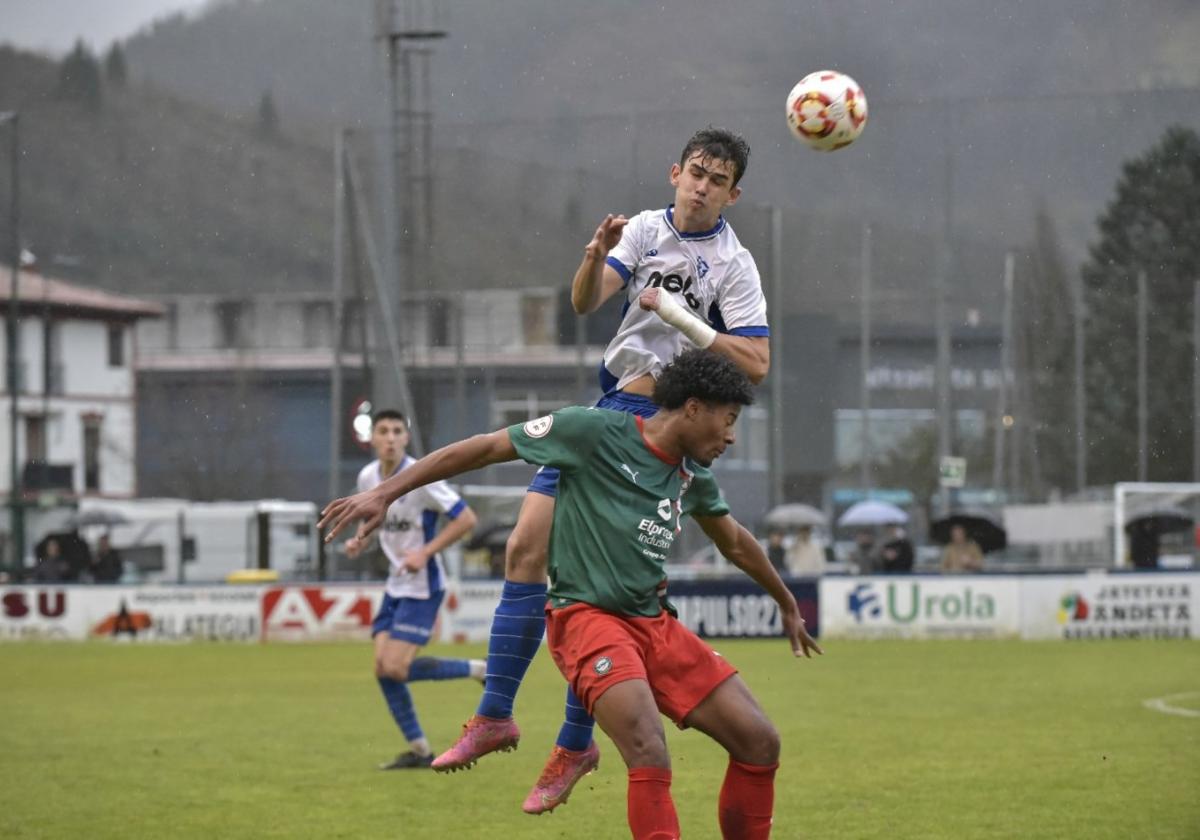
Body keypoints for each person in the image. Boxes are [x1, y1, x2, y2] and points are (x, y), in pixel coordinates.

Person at [321, 351, 821, 839]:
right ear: (693, 407)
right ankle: (521, 726)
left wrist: (784, 599)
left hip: (655, 624)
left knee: (760, 741)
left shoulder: (692, 474)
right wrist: (388, 492)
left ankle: (566, 744)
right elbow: (483, 447)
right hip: (588, 621)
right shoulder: (591, 431)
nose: (732, 436)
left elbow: (732, 539)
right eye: (728, 420)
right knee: (649, 749)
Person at [428, 127, 773, 810]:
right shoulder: (644, 230)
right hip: (614, 404)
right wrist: (592, 257)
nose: (702, 185)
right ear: (675, 172)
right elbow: (587, 300)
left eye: (718, 178)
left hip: (667, 426)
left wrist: (679, 316)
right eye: (695, 172)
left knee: (598, 585)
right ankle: (500, 715)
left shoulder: (735, 266)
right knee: (526, 546)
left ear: (734, 193)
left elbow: (757, 364)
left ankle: (570, 739)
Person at [341, 409, 486, 769]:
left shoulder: (422, 477)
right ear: (372, 438)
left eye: (396, 431)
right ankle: (420, 751)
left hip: (424, 586)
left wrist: (425, 552)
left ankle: (478, 669)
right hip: (396, 584)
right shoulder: (368, 477)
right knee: (383, 669)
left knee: (395, 667)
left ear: (405, 438)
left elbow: (467, 519)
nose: (390, 437)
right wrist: (361, 538)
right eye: (383, 431)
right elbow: (376, 518)